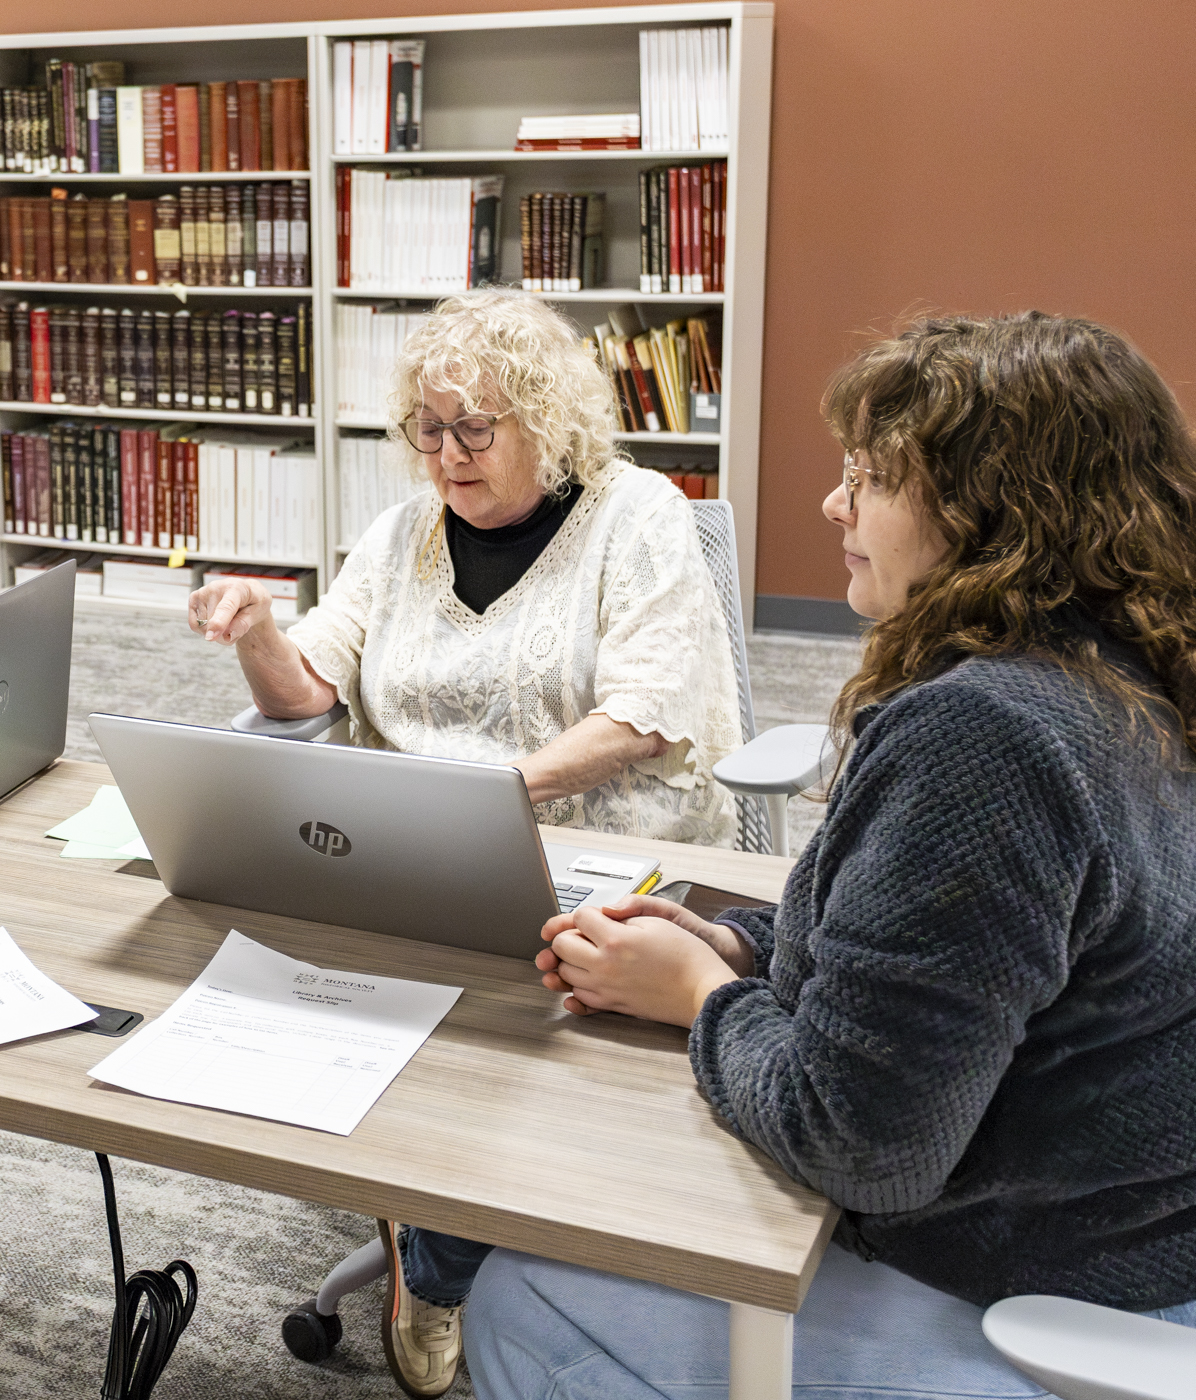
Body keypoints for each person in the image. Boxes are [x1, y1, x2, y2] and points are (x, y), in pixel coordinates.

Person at [392, 312, 1196, 1399]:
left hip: (1049, 1301)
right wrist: (736, 936)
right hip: (1139, 1234)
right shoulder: (1125, 674)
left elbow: (862, 1145)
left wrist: (706, 994)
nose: (834, 503)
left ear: (989, 511)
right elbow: (934, 938)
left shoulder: (987, 736)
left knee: (527, 1296)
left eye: (868, 475)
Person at [187, 290, 740, 846]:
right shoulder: (400, 535)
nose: (449, 455)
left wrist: (474, 801)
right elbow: (304, 696)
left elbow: (637, 723)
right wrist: (257, 634)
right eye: (430, 428)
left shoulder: (639, 517)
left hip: (596, 850)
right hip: (417, 842)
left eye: (475, 428)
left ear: (544, 422)